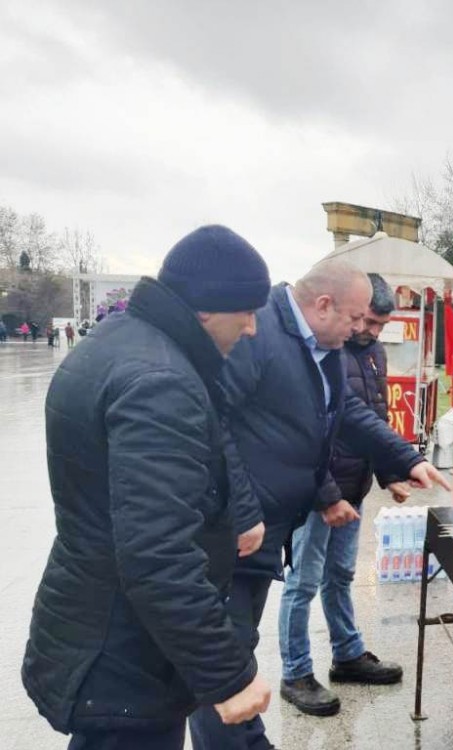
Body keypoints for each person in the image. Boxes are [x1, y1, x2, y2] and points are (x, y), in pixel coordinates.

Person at [22, 225, 273, 750]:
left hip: (100, 625)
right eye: (246, 311)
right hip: (125, 653)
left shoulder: (121, 340)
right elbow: (156, 554)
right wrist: (228, 675)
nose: (252, 327)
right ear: (205, 308)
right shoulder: (161, 381)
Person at [189, 258, 451, 749]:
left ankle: (244, 738)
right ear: (323, 304)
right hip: (235, 526)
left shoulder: (324, 344)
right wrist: (245, 510)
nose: (360, 330)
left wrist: (404, 459)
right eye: (356, 319)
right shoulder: (260, 332)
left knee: (236, 645)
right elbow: (213, 424)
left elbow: (346, 411)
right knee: (222, 649)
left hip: (269, 521)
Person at [278, 273, 408, 717]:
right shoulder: (322, 350)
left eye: (379, 326)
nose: (368, 332)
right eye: (365, 321)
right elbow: (309, 432)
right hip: (319, 493)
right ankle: (295, 672)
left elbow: (376, 416)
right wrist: (328, 495)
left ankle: (348, 654)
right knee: (303, 583)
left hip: (354, 488)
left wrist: (392, 470)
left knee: (341, 577)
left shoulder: (373, 353)